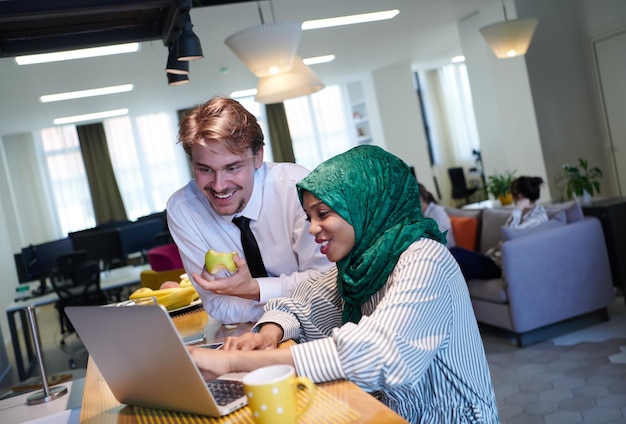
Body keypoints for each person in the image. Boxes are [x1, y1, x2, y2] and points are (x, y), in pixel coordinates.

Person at [188, 145, 500, 423]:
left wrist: (231, 360)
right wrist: (270, 333)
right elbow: (299, 302)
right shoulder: (360, 265)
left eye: (322, 214)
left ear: (365, 205)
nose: (312, 229)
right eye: (309, 216)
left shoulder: (424, 259)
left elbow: (373, 354)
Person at [166, 96, 332, 324]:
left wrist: (253, 290)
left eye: (232, 168)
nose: (219, 185)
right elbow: (219, 305)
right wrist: (282, 308)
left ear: (258, 157)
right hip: (252, 335)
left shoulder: (297, 189)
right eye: (204, 169)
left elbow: (326, 283)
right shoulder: (183, 209)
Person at [449, 176, 548, 281]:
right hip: (493, 259)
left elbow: (509, 238)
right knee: (453, 253)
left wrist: (518, 209)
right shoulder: (521, 214)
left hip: (501, 266)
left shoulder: (537, 218)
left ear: (519, 196)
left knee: (456, 259)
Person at [418, 182, 455, 247]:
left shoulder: (436, 212)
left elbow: (441, 240)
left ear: (421, 197)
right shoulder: (422, 215)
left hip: (448, 251)